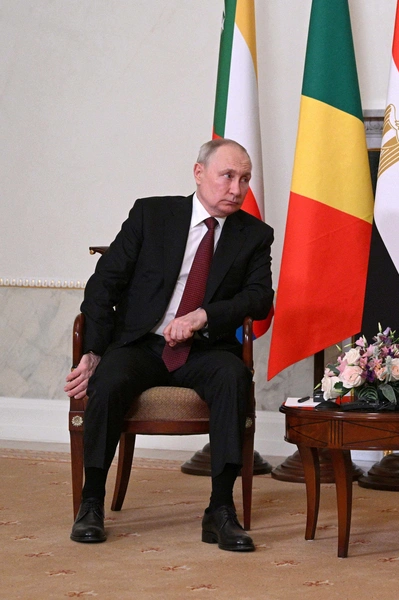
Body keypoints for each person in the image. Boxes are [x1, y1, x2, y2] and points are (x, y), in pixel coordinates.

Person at [63, 138, 274, 552]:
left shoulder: (254, 235)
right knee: (108, 380)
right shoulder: (152, 214)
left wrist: (203, 316)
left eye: (245, 179)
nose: (236, 188)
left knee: (234, 377)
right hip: (142, 343)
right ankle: (91, 502)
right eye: (227, 176)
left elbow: (259, 297)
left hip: (205, 349)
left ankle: (219, 510)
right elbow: (105, 282)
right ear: (199, 174)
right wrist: (93, 351)